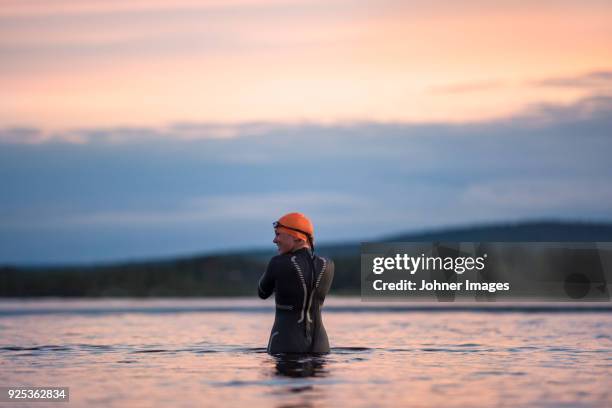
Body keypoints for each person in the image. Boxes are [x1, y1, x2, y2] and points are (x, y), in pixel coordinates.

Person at [257, 212, 334, 354]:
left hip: (285, 345)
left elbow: (262, 292)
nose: (275, 240)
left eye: (278, 234)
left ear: (297, 237)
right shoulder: (327, 264)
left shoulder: (278, 262)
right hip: (321, 347)